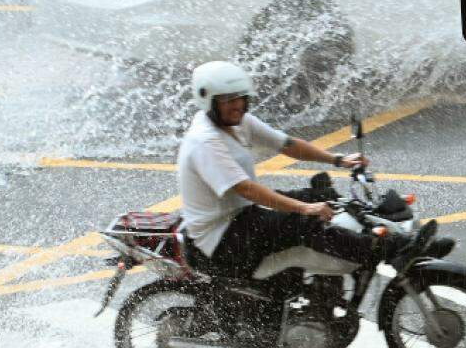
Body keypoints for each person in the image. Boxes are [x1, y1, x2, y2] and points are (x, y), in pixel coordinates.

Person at [177, 60, 437, 279]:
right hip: (220, 237)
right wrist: (304, 209)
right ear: (208, 100)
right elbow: (245, 188)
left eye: (241, 98)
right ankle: (387, 249)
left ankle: (391, 233)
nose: (236, 105)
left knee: (324, 198)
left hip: (240, 216)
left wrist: (338, 159)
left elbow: (287, 145)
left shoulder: (236, 121)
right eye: (226, 100)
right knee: (304, 220)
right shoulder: (205, 141)